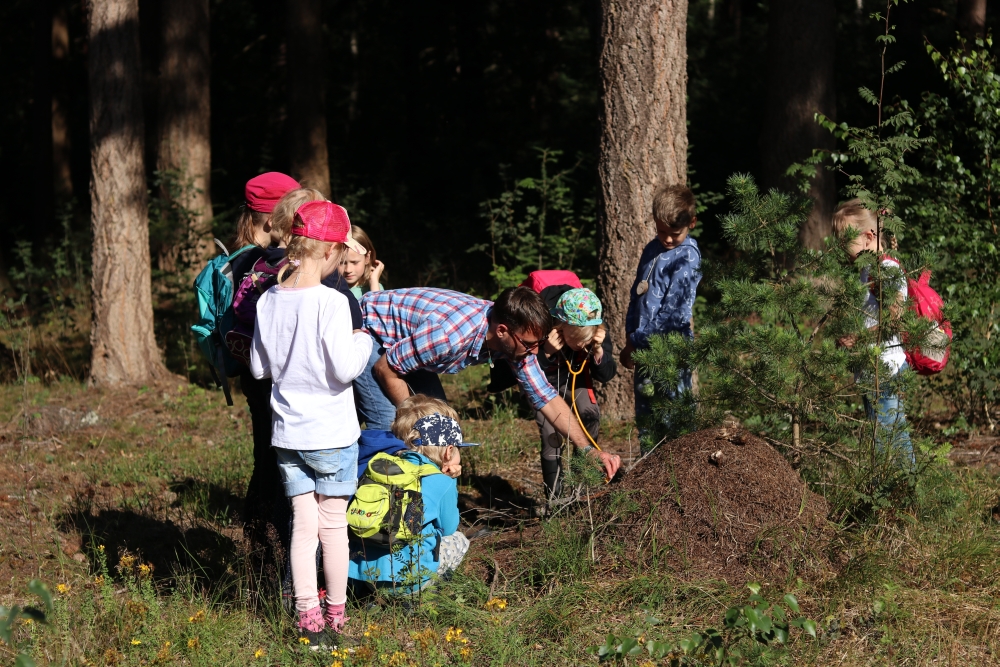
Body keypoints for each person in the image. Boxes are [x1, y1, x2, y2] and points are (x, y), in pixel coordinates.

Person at [235, 184, 366, 607]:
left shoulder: (269, 298)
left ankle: (306, 614)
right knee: (333, 527)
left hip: (289, 435)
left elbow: (259, 368)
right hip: (331, 433)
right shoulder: (332, 303)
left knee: (303, 526)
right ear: (330, 252)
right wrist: (362, 339)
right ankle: (336, 614)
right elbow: (345, 368)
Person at [354, 286, 622, 480]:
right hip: (373, 334)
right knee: (395, 435)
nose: (535, 352)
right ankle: (380, 531)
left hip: (413, 348)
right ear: (503, 330)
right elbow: (386, 368)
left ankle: (431, 520)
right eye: (530, 345)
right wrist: (416, 419)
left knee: (441, 431)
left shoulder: (514, 342)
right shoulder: (450, 336)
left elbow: (546, 397)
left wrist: (587, 449)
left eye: (538, 345)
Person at [488, 286, 617, 499]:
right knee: (551, 434)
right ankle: (555, 499)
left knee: (590, 414)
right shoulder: (541, 329)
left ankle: (580, 490)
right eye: (577, 338)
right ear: (560, 327)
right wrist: (546, 352)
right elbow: (517, 369)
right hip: (543, 383)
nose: (582, 343)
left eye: (587, 338)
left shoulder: (595, 326)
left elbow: (606, 374)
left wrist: (598, 352)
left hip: (575, 381)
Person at [348, 396, 471, 596]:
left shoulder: (379, 465)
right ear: (449, 452)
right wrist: (451, 481)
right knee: (459, 540)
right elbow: (449, 527)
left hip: (363, 575)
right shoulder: (442, 482)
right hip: (408, 581)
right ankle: (426, 591)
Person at [832, 199, 913, 468]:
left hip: (886, 369)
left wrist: (858, 339)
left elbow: (894, 317)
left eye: (845, 242)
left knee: (889, 443)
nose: (841, 249)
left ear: (868, 236)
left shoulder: (885, 269)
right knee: (882, 439)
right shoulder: (866, 270)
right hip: (871, 370)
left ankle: (904, 496)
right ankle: (894, 498)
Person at [620, 184, 701, 445]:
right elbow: (637, 296)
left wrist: (639, 339)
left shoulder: (687, 257)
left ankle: (682, 474)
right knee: (647, 414)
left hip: (670, 348)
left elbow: (674, 312)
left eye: (674, 233)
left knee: (674, 413)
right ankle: (650, 471)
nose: (666, 239)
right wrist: (630, 338)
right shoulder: (651, 249)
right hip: (643, 346)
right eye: (661, 231)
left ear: (692, 222)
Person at [340, 224, 385, 301]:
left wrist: (373, 281)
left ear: (367, 257)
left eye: (355, 262)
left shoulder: (375, 288)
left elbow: (379, 310)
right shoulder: (331, 288)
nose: (348, 270)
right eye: (341, 263)